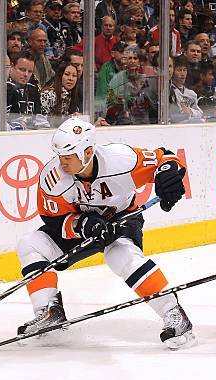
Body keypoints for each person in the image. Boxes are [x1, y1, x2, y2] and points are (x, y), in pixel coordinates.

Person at [15, 117, 195, 349]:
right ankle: (49, 313)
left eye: (68, 157)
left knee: (120, 255)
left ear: (88, 152)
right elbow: (53, 219)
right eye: (60, 157)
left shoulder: (121, 160)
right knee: (31, 244)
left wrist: (168, 176)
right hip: (83, 226)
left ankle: (174, 313)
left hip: (121, 220)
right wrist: (83, 225)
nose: (62, 163)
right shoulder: (53, 178)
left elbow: (167, 159)